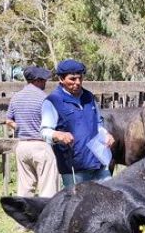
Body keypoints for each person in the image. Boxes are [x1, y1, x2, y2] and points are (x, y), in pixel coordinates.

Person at [40, 58, 115, 188]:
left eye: (80, 78)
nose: (77, 82)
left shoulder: (89, 97)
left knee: (108, 199)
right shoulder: (53, 101)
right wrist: (58, 135)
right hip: (74, 167)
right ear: (61, 79)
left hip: (98, 161)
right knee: (78, 205)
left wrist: (106, 135)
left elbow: (97, 124)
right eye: (72, 79)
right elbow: (44, 131)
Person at [5, 65, 60, 198]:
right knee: (48, 188)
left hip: (22, 146)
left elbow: (8, 121)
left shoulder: (16, 97)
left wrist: (20, 127)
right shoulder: (45, 98)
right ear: (37, 80)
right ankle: (47, 215)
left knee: (25, 187)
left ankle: (24, 216)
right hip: (41, 145)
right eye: (43, 80)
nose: (45, 83)